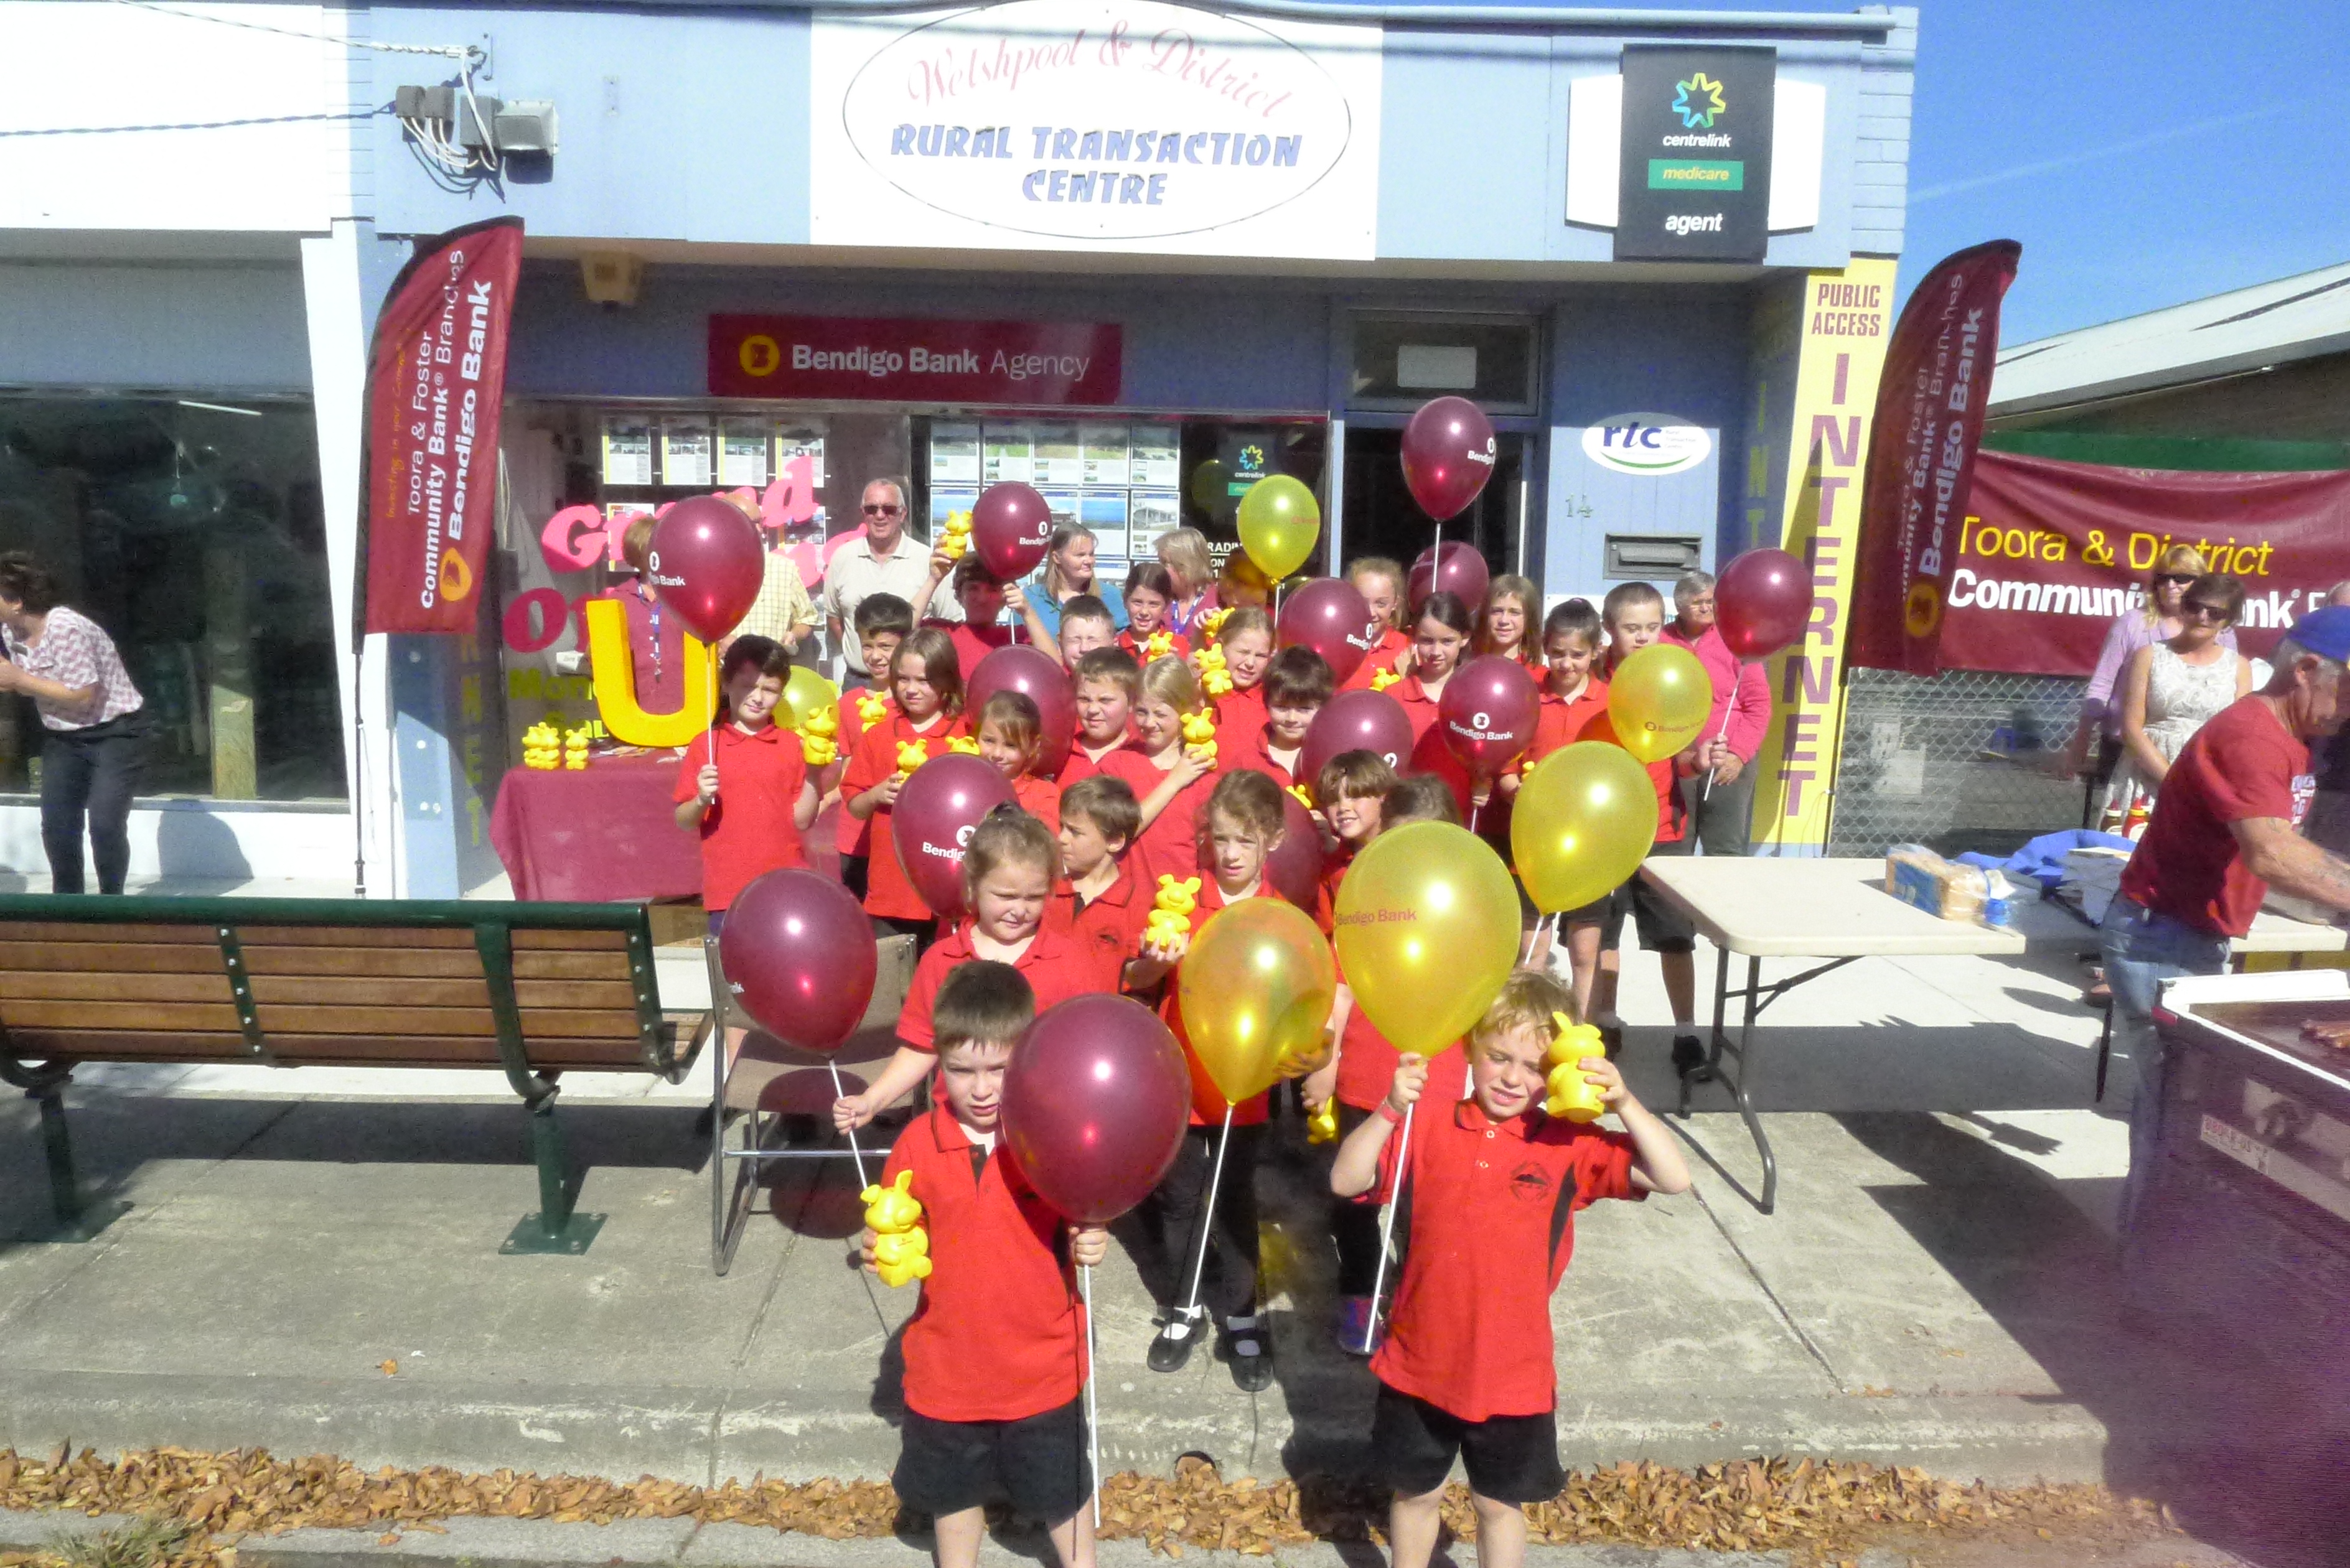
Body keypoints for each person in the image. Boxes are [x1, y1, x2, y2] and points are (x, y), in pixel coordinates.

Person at [1331, 972, 1689, 1568]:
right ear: (1471, 1048)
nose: (1512, 1078)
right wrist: (1393, 1110)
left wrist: (1624, 1101)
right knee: (1416, 1495)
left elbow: (1674, 1178)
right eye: (1498, 1057)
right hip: (1420, 1362)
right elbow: (1346, 1180)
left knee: (1498, 1506)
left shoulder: (1570, 1143)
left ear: (1555, 1073)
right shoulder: (1430, 1125)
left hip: (1513, 1372)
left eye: (1532, 1065)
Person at [2101, 607, 2350, 1248]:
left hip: (2188, 935)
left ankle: (2157, 1260)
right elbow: (2270, 853)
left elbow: (2291, 852)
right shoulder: (2252, 739)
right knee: (2173, 1116)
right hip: (2161, 940)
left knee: (2176, 1108)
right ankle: (2144, 1287)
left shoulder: (2287, 738)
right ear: (2306, 670)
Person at [864, 959, 1106, 1568]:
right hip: (948, 1372)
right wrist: (886, 1251)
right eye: (962, 1070)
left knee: (1063, 1493)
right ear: (938, 1064)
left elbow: (1087, 1209)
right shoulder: (916, 1144)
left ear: (1026, 1062)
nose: (980, 1088)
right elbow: (903, 1236)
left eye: (997, 1069)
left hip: (1042, 1367)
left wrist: (1093, 1234)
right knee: (953, 1494)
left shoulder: (1052, 1138)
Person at [1126, 770, 1321, 1389]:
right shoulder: (1178, 902)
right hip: (1178, 1079)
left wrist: (1307, 1053)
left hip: (1245, 1090)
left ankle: (1238, 1314)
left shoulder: (1281, 916)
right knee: (1178, 1199)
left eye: (1243, 840)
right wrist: (1150, 964)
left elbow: (1305, 1003)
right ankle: (1185, 1306)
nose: (1230, 853)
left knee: (1235, 1202)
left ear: (1271, 840)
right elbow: (1134, 979)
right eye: (1220, 839)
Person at [838, 808, 1118, 1132]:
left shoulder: (1070, 961)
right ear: (973, 887)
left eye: (1035, 897)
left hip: (1044, 1129)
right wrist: (873, 1100)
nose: (1019, 910)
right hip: (960, 1128)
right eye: (1005, 896)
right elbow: (922, 1045)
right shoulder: (942, 960)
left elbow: (1091, 1049)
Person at [675, 635, 818, 1066]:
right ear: (726, 684)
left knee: (787, 985)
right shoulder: (708, 745)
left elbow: (803, 820)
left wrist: (814, 773)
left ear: (782, 691)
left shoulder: (792, 745)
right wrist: (700, 798)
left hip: (786, 891)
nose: (758, 696)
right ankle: (738, 1081)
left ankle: (788, 1073)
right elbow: (684, 820)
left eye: (769, 688)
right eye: (747, 684)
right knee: (735, 992)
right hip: (728, 893)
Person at [1588, 583, 1700, 1071]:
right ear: (1610, 630)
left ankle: (1686, 1032)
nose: (1643, 638)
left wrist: (1703, 758)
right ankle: (1607, 1022)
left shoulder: (1673, 681)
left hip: (1664, 831)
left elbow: (1689, 759)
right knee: (1605, 937)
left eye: (1653, 627)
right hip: (1607, 832)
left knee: (1675, 937)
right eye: (1631, 629)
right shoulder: (1594, 684)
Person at [0, 552, 148, 895]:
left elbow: (82, 693)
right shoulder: (11, 631)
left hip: (115, 732)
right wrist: (14, 680)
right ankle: (68, 905)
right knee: (57, 824)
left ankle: (113, 903)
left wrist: (19, 678)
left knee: (105, 823)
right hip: (63, 736)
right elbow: (18, 682)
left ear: (17, 602)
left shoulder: (65, 628)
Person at [2061, 544, 2237, 791]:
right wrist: (2081, 740)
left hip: (2196, 747)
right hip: (2128, 743)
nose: (2171, 586)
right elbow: (2102, 684)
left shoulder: (2221, 630)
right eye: (2163, 579)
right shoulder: (2133, 624)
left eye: (2182, 578)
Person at [841, 627, 968, 945]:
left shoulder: (966, 734)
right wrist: (876, 794)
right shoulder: (879, 735)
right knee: (892, 987)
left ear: (947, 680)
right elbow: (854, 805)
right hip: (890, 892)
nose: (912, 689)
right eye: (903, 678)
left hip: (949, 894)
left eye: (924, 680)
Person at [2105, 573, 2250, 839]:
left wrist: (2209, 787)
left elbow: (2239, 738)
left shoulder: (2239, 667)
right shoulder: (2149, 655)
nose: (2203, 617)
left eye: (2215, 612)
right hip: (2145, 776)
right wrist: (2174, 781)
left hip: (2207, 784)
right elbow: (2131, 728)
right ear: (2183, 608)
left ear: (2229, 620)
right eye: (2195, 607)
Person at [1522, 600, 1613, 1008]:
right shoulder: (1527, 697)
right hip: (1536, 842)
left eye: (1578, 654)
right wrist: (1512, 786)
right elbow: (1508, 761)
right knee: (1531, 953)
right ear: (1545, 647)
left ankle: (1582, 1035)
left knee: (1584, 953)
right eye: (1558, 653)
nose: (1567, 663)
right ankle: (1527, 1030)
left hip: (1592, 847)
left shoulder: (1612, 702)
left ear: (1595, 651)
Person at [1659, 569, 1772, 856]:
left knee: (1724, 848)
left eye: (1711, 601)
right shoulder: (1661, 642)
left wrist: (1739, 755)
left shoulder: (1733, 641)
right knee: (1676, 845)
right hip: (1677, 761)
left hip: (1727, 762)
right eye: (1698, 602)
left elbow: (1758, 705)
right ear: (1679, 607)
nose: (1707, 607)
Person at [824, 478, 955, 686]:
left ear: (903, 514)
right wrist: (864, 653)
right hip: (857, 680)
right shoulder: (843, 557)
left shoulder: (927, 561)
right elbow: (835, 618)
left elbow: (949, 624)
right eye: (871, 509)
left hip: (912, 684)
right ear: (863, 513)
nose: (880, 515)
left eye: (889, 509)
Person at [832, 595, 913, 903]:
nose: (875, 656)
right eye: (868, 645)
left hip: (898, 838)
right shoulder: (849, 703)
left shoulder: (914, 703)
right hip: (854, 836)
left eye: (885, 647)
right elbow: (847, 771)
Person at [1125, 656, 1219, 887]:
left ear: (1185, 713)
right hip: (1126, 904)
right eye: (1141, 712)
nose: (1148, 722)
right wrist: (1174, 781)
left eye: (1160, 714)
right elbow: (1123, 830)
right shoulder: (1119, 762)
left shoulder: (1204, 777)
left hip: (1181, 906)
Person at [1049, 774, 1147, 969]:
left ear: (1115, 842)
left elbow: (1132, 981)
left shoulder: (1137, 905)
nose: (1061, 838)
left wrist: (1155, 965)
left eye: (1075, 832)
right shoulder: (1046, 887)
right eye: (1062, 827)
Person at [918, 552, 1058, 681]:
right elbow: (901, 632)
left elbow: (1056, 668)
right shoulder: (944, 634)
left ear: (1005, 597)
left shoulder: (1018, 637)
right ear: (959, 594)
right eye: (973, 588)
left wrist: (1028, 612)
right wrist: (933, 580)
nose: (982, 598)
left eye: (992, 589)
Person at [600, 516, 688, 716]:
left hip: (686, 705)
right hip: (633, 707)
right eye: (651, 550)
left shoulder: (687, 597)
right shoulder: (618, 600)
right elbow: (601, 655)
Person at [1219, 646, 1332, 789]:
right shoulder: (1247, 763)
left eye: (1304, 709)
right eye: (1281, 707)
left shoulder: (1331, 757)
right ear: (1267, 704)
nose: (1291, 718)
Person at [724, 495, 822, 658]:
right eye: (748, 522)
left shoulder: (784, 569)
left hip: (771, 672)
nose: (757, 529)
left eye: (759, 523)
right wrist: (721, 640)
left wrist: (793, 635)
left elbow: (807, 619)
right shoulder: (708, 572)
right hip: (722, 675)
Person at [1057, 648, 1148, 788]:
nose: (1093, 710)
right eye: (1084, 699)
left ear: (1131, 703)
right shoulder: (1061, 749)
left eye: (1105, 700)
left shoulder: (1140, 753)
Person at [1024, 524, 1128, 644]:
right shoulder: (1032, 598)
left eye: (1091, 554)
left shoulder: (1110, 595)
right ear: (1057, 558)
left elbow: (1123, 643)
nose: (1089, 561)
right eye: (1080, 555)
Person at [975, 689, 1062, 826]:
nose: (997, 754)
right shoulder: (964, 782)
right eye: (989, 741)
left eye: (1010, 745)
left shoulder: (1044, 794)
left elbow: (1047, 839)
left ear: (1033, 746)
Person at [1341, 558, 1411, 691]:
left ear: (1395, 603)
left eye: (1381, 604)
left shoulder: (1407, 648)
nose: (1371, 613)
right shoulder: (1337, 644)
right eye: (1363, 601)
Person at [1205, 605, 1275, 738]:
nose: (1250, 663)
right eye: (1243, 652)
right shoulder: (1204, 692)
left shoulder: (1272, 697)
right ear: (1220, 646)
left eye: (1261, 656)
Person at [1116, 562, 1192, 661]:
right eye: (1137, 602)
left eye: (1154, 604)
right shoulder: (1114, 645)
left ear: (1166, 606)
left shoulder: (1178, 645)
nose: (1144, 612)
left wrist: (1178, 668)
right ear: (1125, 600)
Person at [1154, 527, 1220, 638]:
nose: (1160, 568)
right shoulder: (1158, 597)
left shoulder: (1219, 599)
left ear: (1186, 564)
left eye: (1165, 563)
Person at [1474, 574, 1540, 668]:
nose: (1504, 620)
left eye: (1514, 613)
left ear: (1529, 618)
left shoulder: (1540, 678)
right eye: (1497, 611)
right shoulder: (1471, 668)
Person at [1051, 595, 1120, 668]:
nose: (1084, 649)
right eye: (1075, 640)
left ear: (1114, 645)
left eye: (1093, 640)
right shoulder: (1052, 678)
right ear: (1060, 645)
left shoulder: (1126, 677)